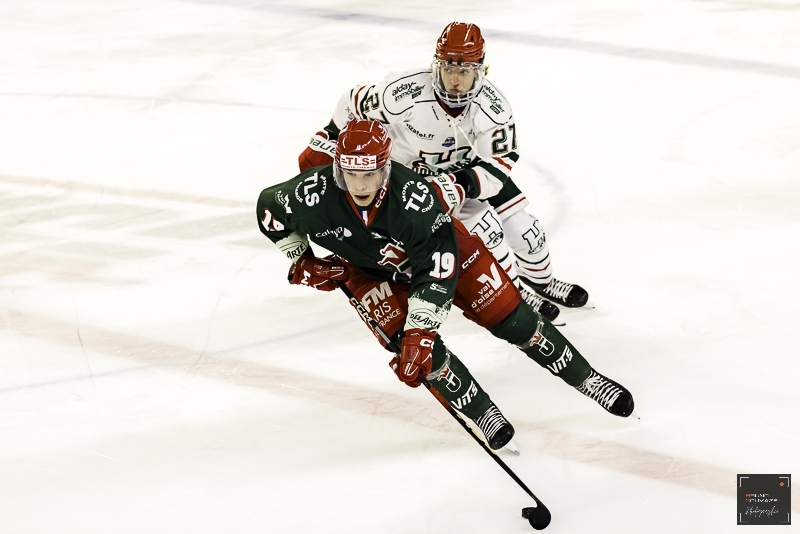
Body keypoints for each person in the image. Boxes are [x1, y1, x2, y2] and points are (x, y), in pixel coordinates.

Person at [259, 118, 633, 451]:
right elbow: (268, 208)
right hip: (368, 271)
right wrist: (300, 258)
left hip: (448, 256)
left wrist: (420, 332)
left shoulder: (415, 199)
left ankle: (587, 379)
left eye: (369, 174)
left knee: (513, 321)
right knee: (418, 354)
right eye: (350, 174)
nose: (360, 185)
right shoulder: (311, 192)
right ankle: (483, 412)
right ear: (337, 168)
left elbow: (437, 272)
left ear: (386, 167)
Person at [297, 22, 589, 323]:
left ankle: (542, 282)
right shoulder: (402, 92)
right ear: (436, 66)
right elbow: (352, 102)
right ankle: (516, 295)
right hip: (412, 176)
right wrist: (330, 135)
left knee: (527, 233)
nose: (455, 80)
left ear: (481, 71)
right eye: (448, 69)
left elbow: (499, 164)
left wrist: (460, 185)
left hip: (468, 172)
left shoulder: (494, 108)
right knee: (486, 232)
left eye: (464, 71)